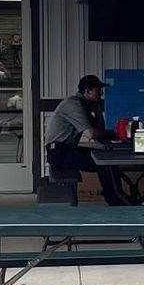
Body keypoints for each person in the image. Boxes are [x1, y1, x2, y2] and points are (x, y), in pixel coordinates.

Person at [44, 74, 124, 205]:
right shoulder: (74, 104)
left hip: (68, 149)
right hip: (58, 152)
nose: (101, 94)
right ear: (87, 91)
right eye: (98, 90)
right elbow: (91, 134)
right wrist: (113, 133)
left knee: (104, 159)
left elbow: (99, 129)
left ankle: (115, 197)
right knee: (105, 163)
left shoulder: (86, 104)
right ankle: (116, 200)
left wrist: (97, 109)